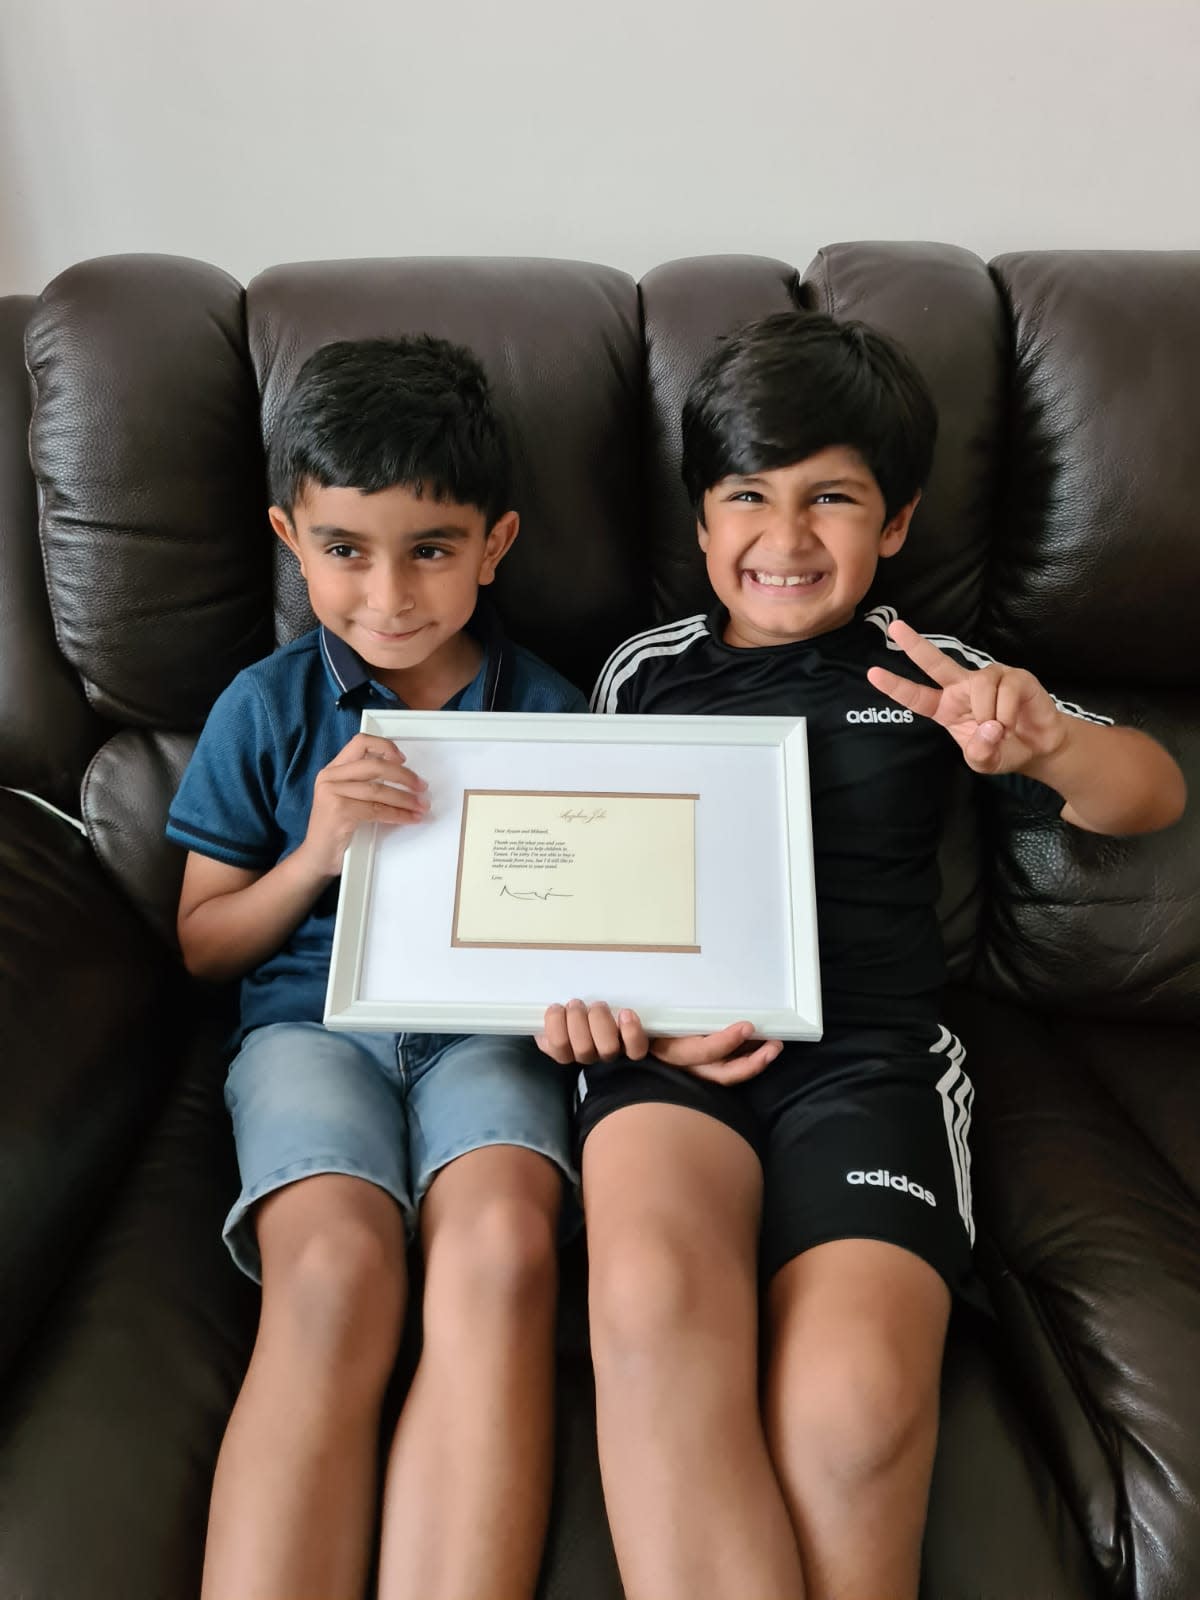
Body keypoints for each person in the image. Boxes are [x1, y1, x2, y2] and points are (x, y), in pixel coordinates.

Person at [538, 311, 1186, 1600]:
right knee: (655, 1309)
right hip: (677, 1059)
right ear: (703, 523)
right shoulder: (642, 676)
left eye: (832, 499)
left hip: (871, 1064)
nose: (785, 540)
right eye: (749, 500)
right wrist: (615, 1024)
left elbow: (1151, 795)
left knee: (855, 1406)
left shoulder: (936, 672)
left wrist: (1042, 744)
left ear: (895, 524)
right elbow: (583, 901)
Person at [167, 335, 586, 1600]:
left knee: (506, 1247)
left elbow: (587, 931)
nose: (388, 594)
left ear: (496, 545)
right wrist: (313, 855)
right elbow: (202, 941)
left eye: (432, 550)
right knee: (339, 1268)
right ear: (291, 538)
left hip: (489, 1033)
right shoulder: (269, 703)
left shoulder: (552, 715)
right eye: (345, 550)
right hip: (311, 1026)